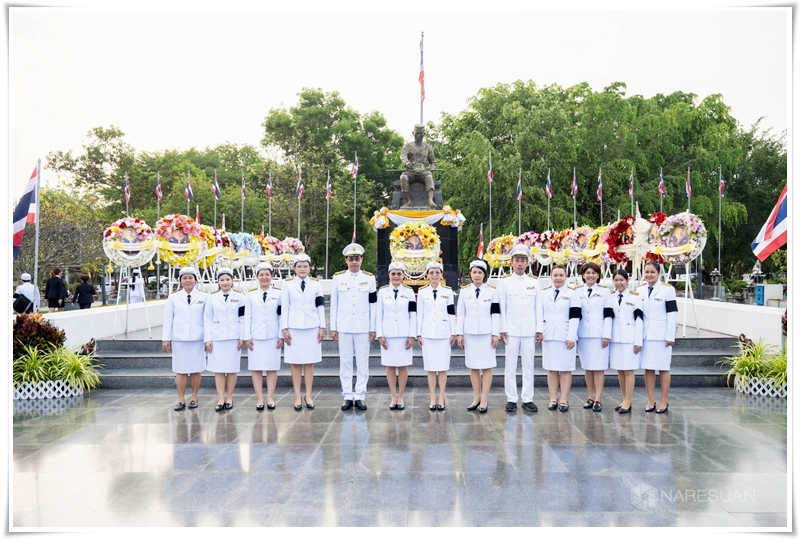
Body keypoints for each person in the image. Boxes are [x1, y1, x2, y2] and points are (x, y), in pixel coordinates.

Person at [330, 243, 376, 411]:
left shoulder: (369, 278)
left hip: (363, 326)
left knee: (363, 361)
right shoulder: (338, 278)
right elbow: (334, 304)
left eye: (357, 258)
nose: (354, 261)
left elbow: (373, 305)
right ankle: (348, 395)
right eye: (351, 259)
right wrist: (333, 327)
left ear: (361, 259)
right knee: (346, 362)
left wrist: (373, 327)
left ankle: (360, 395)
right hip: (344, 326)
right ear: (346, 260)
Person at [497, 244, 541, 413]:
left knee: (528, 365)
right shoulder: (505, 282)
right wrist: (502, 328)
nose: (520, 264)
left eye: (523, 260)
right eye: (517, 260)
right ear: (512, 262)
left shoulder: (534, 282)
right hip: (512, 330)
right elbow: (502, 307)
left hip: (529, 330)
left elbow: (538, 308)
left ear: (527, 263)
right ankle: (511, 398)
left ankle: (528, 398)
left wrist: (539, 329)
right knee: (510, 366)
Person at [280, 254, 326, 411]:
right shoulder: (287, 285)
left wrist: (322, 327)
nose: (302, 269)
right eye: (299, 266)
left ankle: (308, 395)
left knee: (309, 362)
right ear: (294, 268)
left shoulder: (316, 284)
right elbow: (284, 307)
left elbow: (320, 306)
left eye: (305, 266)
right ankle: (297, 396)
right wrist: (284, 328)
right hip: (294, 327)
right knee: (295, 363)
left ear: (309, 267)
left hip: (312, 327)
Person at [456, 259, 500, 413]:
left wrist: (495, 334)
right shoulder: (464, 292)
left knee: (487, 366)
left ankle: (485, 398)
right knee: (473, 366)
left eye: (479, 272)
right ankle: (476, 397)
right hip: (470, 334)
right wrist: (459, 333)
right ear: (470, 274)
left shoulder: (492, 291)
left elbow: (496, 314)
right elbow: (460, 313)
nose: (476, 275)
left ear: (484, 274)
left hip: (487, 334)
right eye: (474, 272)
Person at [162, 266, 207, 411]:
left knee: (196, 369)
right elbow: (168, 319)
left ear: (195, 280)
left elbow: (208, 319)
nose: (188, 280)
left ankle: (194, 397)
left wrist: (208, 338)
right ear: (180, 280)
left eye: (190, 278)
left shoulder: (204, 297)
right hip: (179, 338)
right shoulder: (173, 297)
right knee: (180, 370)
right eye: (185, 278)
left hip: (198, 338)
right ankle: (181, 399)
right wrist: (166, 338)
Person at [538, 264, 581, 412]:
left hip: (565, 336)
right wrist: (540, 331)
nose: (558, 278)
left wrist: (571, 336)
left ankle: (564, 399)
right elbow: (540, 314)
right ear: (551, 276)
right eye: (555, 275)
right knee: (551, 369)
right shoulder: (544, 293)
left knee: (565, 369)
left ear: (566, 276)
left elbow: (575, 317)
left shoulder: (573, 294)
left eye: (561, 275)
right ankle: (552, 398)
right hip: (549, 335)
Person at [376, 261, 416, 410]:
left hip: (404, 334)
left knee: (403, 366)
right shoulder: (382, 292)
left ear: (403, 275)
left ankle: (401, 395)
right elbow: (378, 314)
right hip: (388, 334)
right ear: (389, 275)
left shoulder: (409, 292)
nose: (396, 276)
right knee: (390, 366)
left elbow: (413, 314)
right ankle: (393, 395)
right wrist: (380, 335)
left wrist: (412, 335)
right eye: (393, 274)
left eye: (399, 274)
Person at [638, 261, 678, 413]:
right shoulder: (640, 290)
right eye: (646, 272)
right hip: (645, 335)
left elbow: (672, 314)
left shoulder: (667, 290)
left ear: (659, 273)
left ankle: (663, 401)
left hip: (661, 336)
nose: (649, 275)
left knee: (663, 368)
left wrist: (670, 336)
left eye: (652, 272)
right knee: (648, 368)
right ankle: (650, 400)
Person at [243, 263, 283, 411]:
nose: (264, 277)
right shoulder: (250, 295)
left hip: (273, 335)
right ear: (257, 277)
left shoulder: (279, 294)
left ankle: (270, 397)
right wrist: (247, 336)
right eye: (261, 275)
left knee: (272, 368)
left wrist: (281, 335)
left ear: (272, 276)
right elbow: (247, 317)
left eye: (267, 274)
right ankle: (260, 398)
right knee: (256, 368)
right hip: (255, 336)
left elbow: (281, 316)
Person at [204, 268, 245, 412]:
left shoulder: (240, 297)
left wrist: (242, 337)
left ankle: (229, 397)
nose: (225, 282)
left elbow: (243, 318)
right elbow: (207, 318)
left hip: (234, 337)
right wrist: (208, 339)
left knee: (232, 369)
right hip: (217, 337)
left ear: (232, 281)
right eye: (222, 280)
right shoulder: (211, 298)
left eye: (228, 279)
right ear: (218, 282)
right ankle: (221, 398)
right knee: (219, 370)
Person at [416, 261, 456, 411]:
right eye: (431, 272)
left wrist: (453, 332)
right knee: (431, 368)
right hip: (427, 333)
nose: (434, 275)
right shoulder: (422, 293)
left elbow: (451, 313)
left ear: (441, 274)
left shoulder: (448, 292)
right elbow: (419, 314)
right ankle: (432, 396)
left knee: (443, 368)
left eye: (437, 272)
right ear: (427, 275)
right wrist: (418, 334)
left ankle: (441, 396)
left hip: (444, 333)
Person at [576, 262, 614, 412]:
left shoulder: (605, 292)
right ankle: (590, 396)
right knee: (587, 367)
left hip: (599, 335)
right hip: (583, 334)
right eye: (587, 273)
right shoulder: (577, 291)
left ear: (598, 275)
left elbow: (609, 315)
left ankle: (598, 398)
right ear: (583, 275)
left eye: (593, 273)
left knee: (599, 367)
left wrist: (606, 335)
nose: (590, 275)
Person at [609, 269, 643, 414]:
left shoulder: (635, 297)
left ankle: (628, 401)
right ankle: (624, 399)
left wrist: (638, 341)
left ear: (627, 281)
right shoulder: (610, 296)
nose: (619, 283)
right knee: (620, 370)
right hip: (615, 338)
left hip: (630, 338)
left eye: (621, 280)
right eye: (616, 280)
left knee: (628, 370)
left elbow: (639, 320)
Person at [399, 124, 438, 208]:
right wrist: (407, 162)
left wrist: (430, 169)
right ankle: (408, 201)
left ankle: (430, 200)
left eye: (421, 133)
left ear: (424, 134)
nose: (419, 136)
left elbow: (433, 162)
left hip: (423, 171)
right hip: (411, 171)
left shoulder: (428, 147)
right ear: (413, 133)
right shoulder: (408, 146)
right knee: (403, 177)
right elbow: (403, 155)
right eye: (417, 133)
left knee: (429, 176)